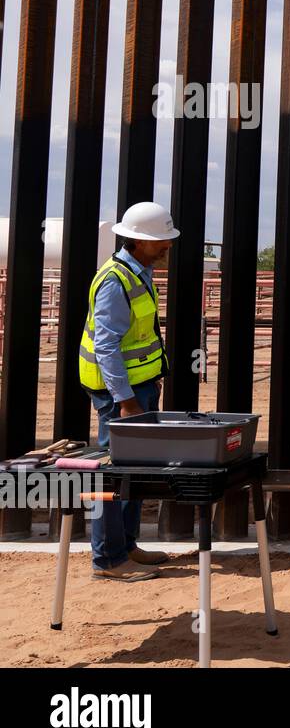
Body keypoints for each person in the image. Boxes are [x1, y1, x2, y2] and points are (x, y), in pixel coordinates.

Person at [79, 202, 178, 582]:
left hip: (138, 388)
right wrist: (126, 401)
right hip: (118, 395)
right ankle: (107, 558)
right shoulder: (115, 280)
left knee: (135, 470)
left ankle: (127, 545)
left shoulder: (140, 271)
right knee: (112, 472)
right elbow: (106, 347)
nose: (166, 246)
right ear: (137, 241)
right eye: (159, 241)